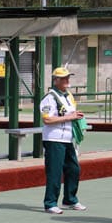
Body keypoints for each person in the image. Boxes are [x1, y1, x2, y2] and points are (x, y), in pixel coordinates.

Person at [40, 67, 87, 214]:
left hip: (67, 139)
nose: (68, 80)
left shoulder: (68, 95)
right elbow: (47, 119)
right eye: (64, 78)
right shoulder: (50, 97)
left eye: (68, 77)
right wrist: (69, 117)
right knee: (54, 171)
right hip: (53, 139)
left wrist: (76, 116)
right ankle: (50, 203)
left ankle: (69, 200)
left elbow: (70, 114)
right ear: (56, 80)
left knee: (74, 169)